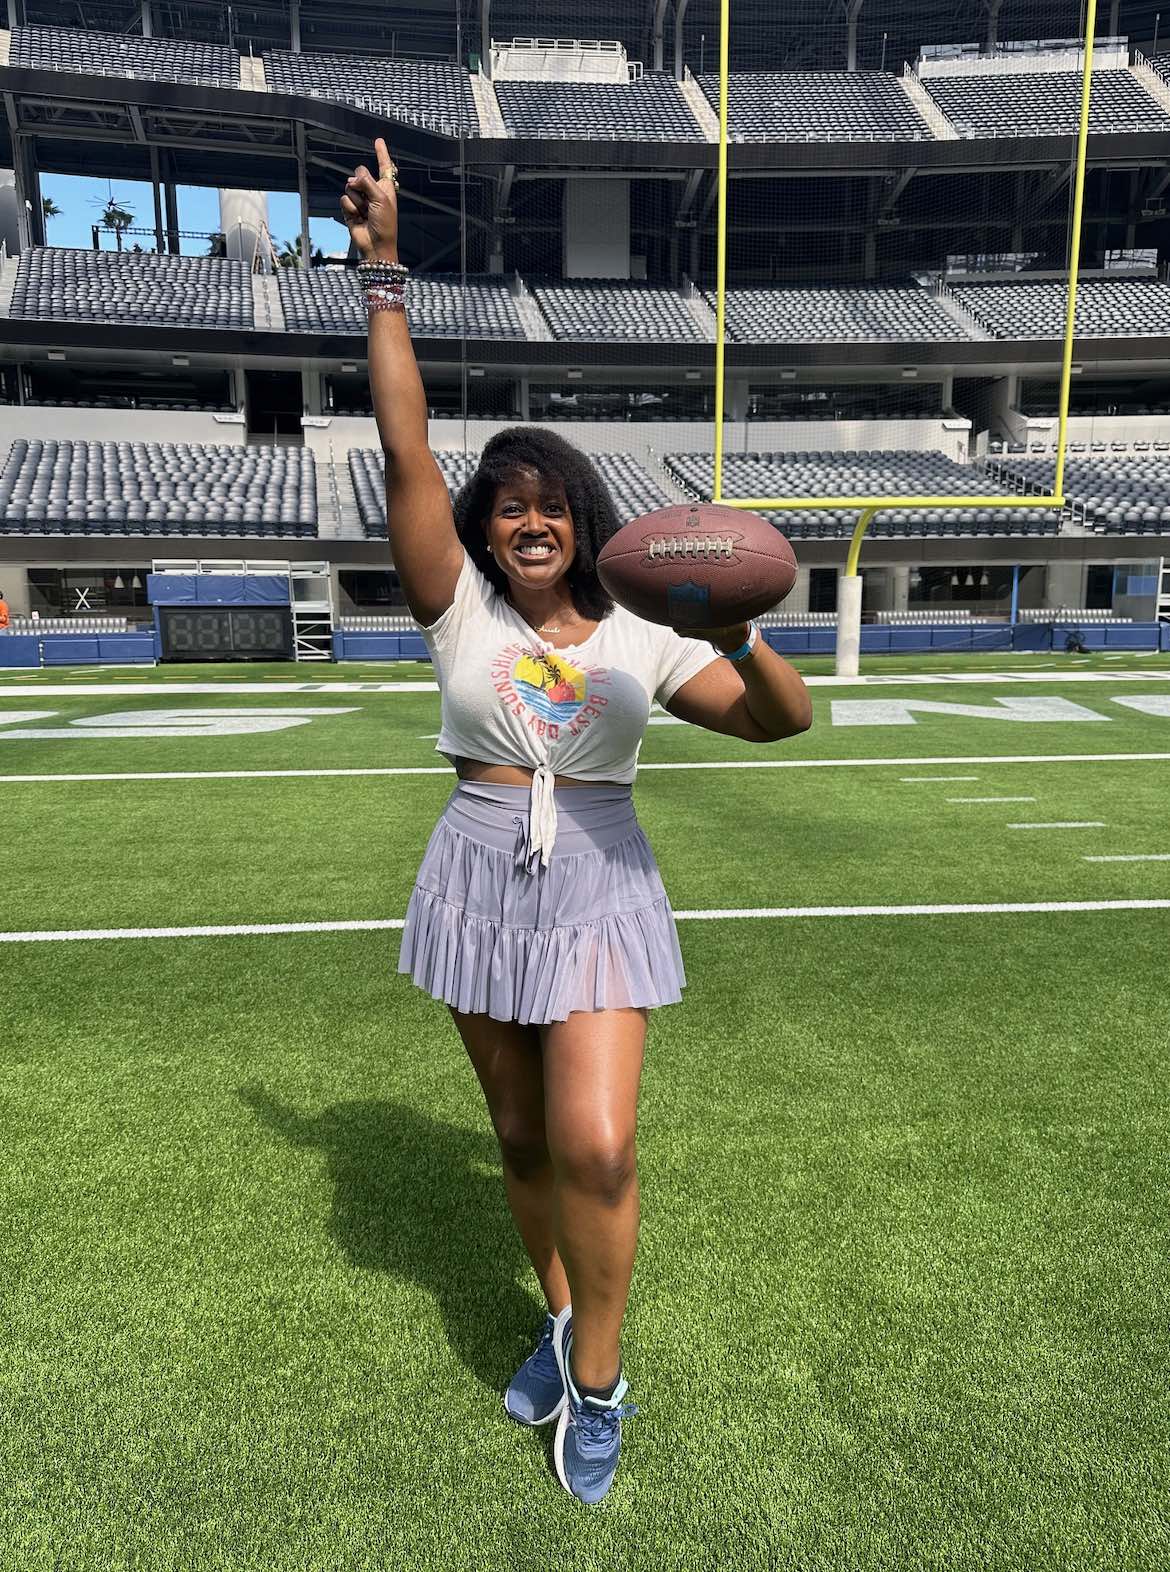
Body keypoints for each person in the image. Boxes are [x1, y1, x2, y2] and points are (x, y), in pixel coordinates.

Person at [341, 140, 813, 1507]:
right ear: (486, 534)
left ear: (580, 520)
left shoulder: (645, 631)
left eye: (548, 504)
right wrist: (383, 278)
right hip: (477, 867)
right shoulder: (458, 609)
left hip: (599, 872)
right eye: (509, 508)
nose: (527, 521)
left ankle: (599, 1380)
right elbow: (405, 448)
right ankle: (558, 1318)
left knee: (599, 1142)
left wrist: (741, 629)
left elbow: (777, 721)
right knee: (521, 1140)